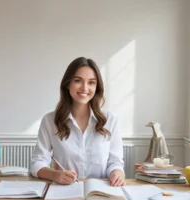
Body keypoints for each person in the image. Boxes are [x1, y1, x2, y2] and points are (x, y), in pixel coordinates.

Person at [30, 57, 125, 186]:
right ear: (68, 84)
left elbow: (115, 162)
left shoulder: (110, 119)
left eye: (91, 82)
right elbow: (37, 163)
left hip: (101, 195)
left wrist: (117, 172)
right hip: (64, 193)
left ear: (97, 87)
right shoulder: (49, 121)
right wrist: (55, 175)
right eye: (78, 81)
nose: (85, 88)